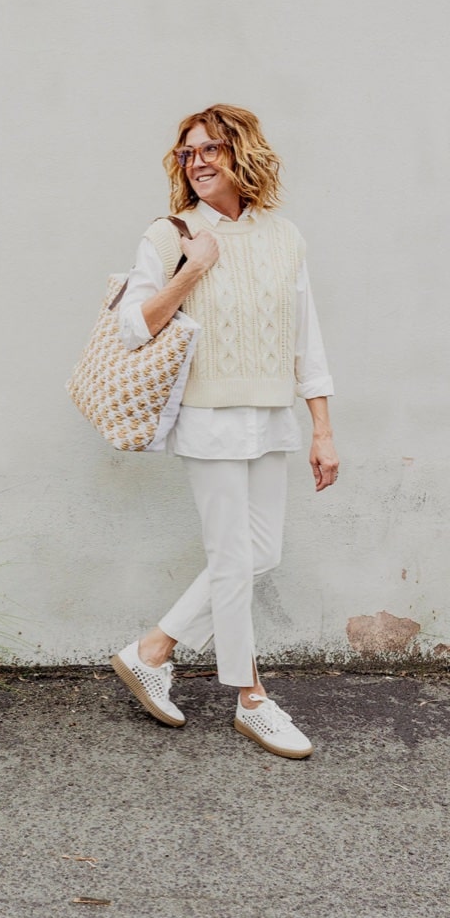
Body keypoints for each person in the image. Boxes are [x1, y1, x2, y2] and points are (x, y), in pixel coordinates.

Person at [110, 104, 338, 759]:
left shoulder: (284, 237)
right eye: (188, 152)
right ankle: (253, 700)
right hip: (208, 418)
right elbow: (134, 325)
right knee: (233, 559)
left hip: (271, 415)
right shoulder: (171, 232)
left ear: (244, 154)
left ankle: (152, 650)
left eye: (212, 148)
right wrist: (192, 268)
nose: (199, 160)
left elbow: (307, 342)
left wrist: (321, 429)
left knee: (260, 553)